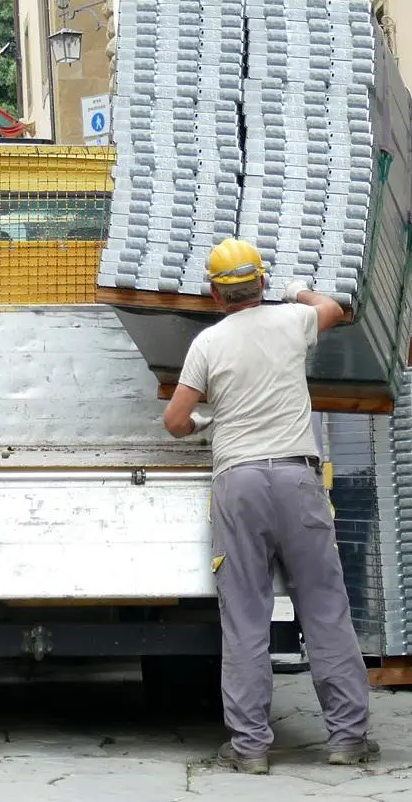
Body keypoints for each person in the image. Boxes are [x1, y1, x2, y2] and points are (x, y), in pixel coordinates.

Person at [162, 238, 379, 775]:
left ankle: (251, 747)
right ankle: (348, 738)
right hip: (297, 479)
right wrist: (296, 290)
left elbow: (174, 420)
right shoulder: (290, 322)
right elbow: (331, 308)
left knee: (245, 618)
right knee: (325, 608)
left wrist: (200, 424)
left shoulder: (207, 345)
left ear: (215, 294)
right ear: (259, 283)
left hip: (238, 483)